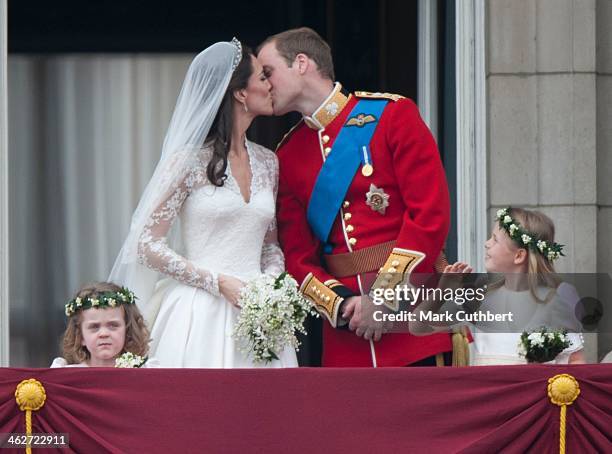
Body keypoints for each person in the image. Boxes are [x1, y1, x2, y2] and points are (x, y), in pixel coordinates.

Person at [257, 28, 453, 367]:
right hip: (348, 335)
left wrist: (384, 297)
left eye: (268, 72)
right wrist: (342, 304)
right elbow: (298, 258)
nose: (263, 84)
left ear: (301, 63)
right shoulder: (287, 154)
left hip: (413, 318)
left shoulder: (392, 115)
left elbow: (429, 216)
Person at [109, 39, 297, 368]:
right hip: (199, 312)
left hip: (260, 316)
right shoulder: (188, 162)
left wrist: (271, 286)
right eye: (262, 78)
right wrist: (217, 282)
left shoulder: (269, 162)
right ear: (240, 92)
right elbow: (145, 242)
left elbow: (270, 245)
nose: (270, 85)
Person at [412, 207, 585, 365]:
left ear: (519, 256)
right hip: (488, 397)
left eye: (495, 240)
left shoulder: (553, 302)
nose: (487, 243)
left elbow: (576, 361)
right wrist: (442, 292)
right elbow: (418, 327)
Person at [51, 282, 158, 368]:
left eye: (113, 325)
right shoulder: (66, 374)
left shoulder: (145, 372)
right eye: (94, 327)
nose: (104, 334)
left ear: (127, 330)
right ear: (80, 336)